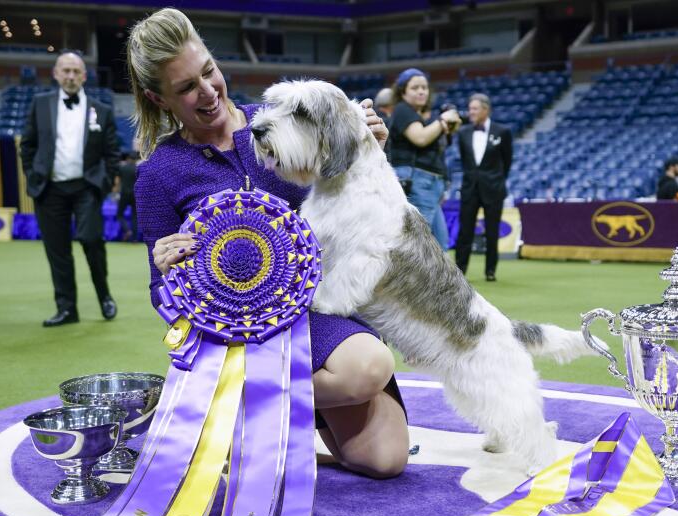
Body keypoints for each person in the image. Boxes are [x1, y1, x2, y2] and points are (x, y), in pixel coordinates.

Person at [127, 8, 407, 479]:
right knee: (367, 368)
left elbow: (357, 200)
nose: (209, 91)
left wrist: (367, 150)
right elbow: (162, 292)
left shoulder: (284, 117)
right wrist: (169, 271)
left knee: (384, 460)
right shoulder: (158, 173)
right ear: (159, 98)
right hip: (238, 335)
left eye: (209, 71)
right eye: (187, 88)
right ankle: (238, 399)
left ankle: (237, 409)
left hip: (318, 309)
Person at [20, 50, 120, 327]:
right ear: (56, 73)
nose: (71, 76)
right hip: (49, 189)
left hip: (86, 187)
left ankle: (104, 297)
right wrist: (32, 174)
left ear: (84, 76)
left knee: (91, 241)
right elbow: (27, 145)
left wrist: (102, 182)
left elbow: (112, 154)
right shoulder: (40, 104)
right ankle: (67, 309)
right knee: (57, 250)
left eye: (76, 71)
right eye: (65, 70)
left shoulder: (102, 110)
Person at [387, 67, 461, 248]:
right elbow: (420, 138)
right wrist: (442, 121)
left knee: (440, 242)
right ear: (403, 91)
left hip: (431, 182)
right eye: (415, 88)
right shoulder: (402, 110)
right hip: (417, 180)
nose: (421, 91)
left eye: (424, 87)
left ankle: (440, 277)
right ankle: (406, 277)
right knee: (418, 243)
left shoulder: (422, 116)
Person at [455, 93, 512, 282]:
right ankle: (459, 271)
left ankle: (490, 271)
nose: (470, 112)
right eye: (470, 108)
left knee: (492, 231)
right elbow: (465, 161)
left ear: (486, 110)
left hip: (493, 189)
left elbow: (507, 162)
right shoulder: (463, 132)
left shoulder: (502, 131)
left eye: (474, 109)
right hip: (470, 188)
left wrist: (496, 181)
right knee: (465, 232)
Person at [115, 150, 139, 241]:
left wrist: (116, 192)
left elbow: (117, 181)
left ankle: (127, 230)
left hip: (124, 193)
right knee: (134, 216)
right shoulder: (138, 169)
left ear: (128, 158)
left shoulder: (122, 168)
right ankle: (135, 238)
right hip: (135, 194)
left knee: (119, 214)